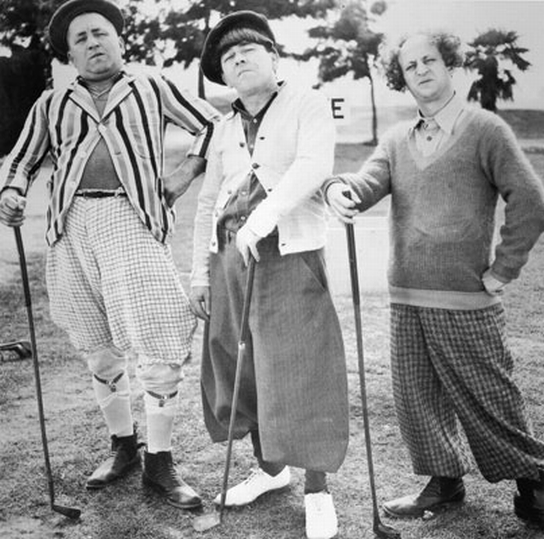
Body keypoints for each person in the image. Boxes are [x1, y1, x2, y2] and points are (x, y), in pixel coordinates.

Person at [0, 0, 221, 509]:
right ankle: (124, 446)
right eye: (79, 39)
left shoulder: (152, 86)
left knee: (158, 337)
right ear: (69, 55)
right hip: (71, 227)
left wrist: (184, 173)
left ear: (119, 39)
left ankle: (160, 462)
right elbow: (22, 160)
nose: (92, 43)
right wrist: (11, 193)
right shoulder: (51, 103)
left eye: (100, 33)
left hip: (132, 220)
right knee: (97, 346)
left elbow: (213, 126)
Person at [325, 30, 544, 528]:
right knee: (415, 397)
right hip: (406, 296)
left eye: (430, 60)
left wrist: (503, 269)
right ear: (400, 78)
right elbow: (367, 182)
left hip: (466, 298)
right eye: (411, 66)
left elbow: (531, 200)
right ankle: (444, 481)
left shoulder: (485, 129)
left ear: (450, 65)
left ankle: (534, 481)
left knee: (489, 397)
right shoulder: (396, 139)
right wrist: (339, 187)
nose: (421, 70)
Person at [189, 11, 349, 539]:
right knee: (246, 366)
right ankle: (271, 471)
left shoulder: (307, 103)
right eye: (229, 58)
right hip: (230, 259)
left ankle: (317, 491)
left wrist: (262, 219)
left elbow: (313, 165)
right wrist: (199, 274)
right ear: (223, 76)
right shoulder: (222, 126)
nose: (239, 60)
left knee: (302, 369)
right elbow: (208, 201)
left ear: (274, 58)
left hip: (289, 254)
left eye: (249, 50)